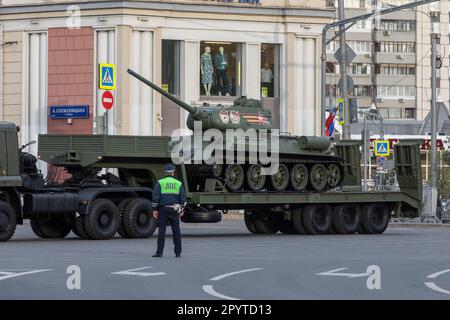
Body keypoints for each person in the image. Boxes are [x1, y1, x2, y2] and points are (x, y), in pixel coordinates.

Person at [152, 163, 187, 258]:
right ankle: (178, 253)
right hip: (175, 208)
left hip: (163, 209)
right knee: (176, 231)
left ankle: (159, 253)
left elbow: (156, 197)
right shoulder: (178, 183)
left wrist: (155, 209)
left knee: (161, 231)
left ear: (165, 172)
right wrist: (181, 210)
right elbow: (183, 199)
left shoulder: (160, 182)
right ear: (173, 172)